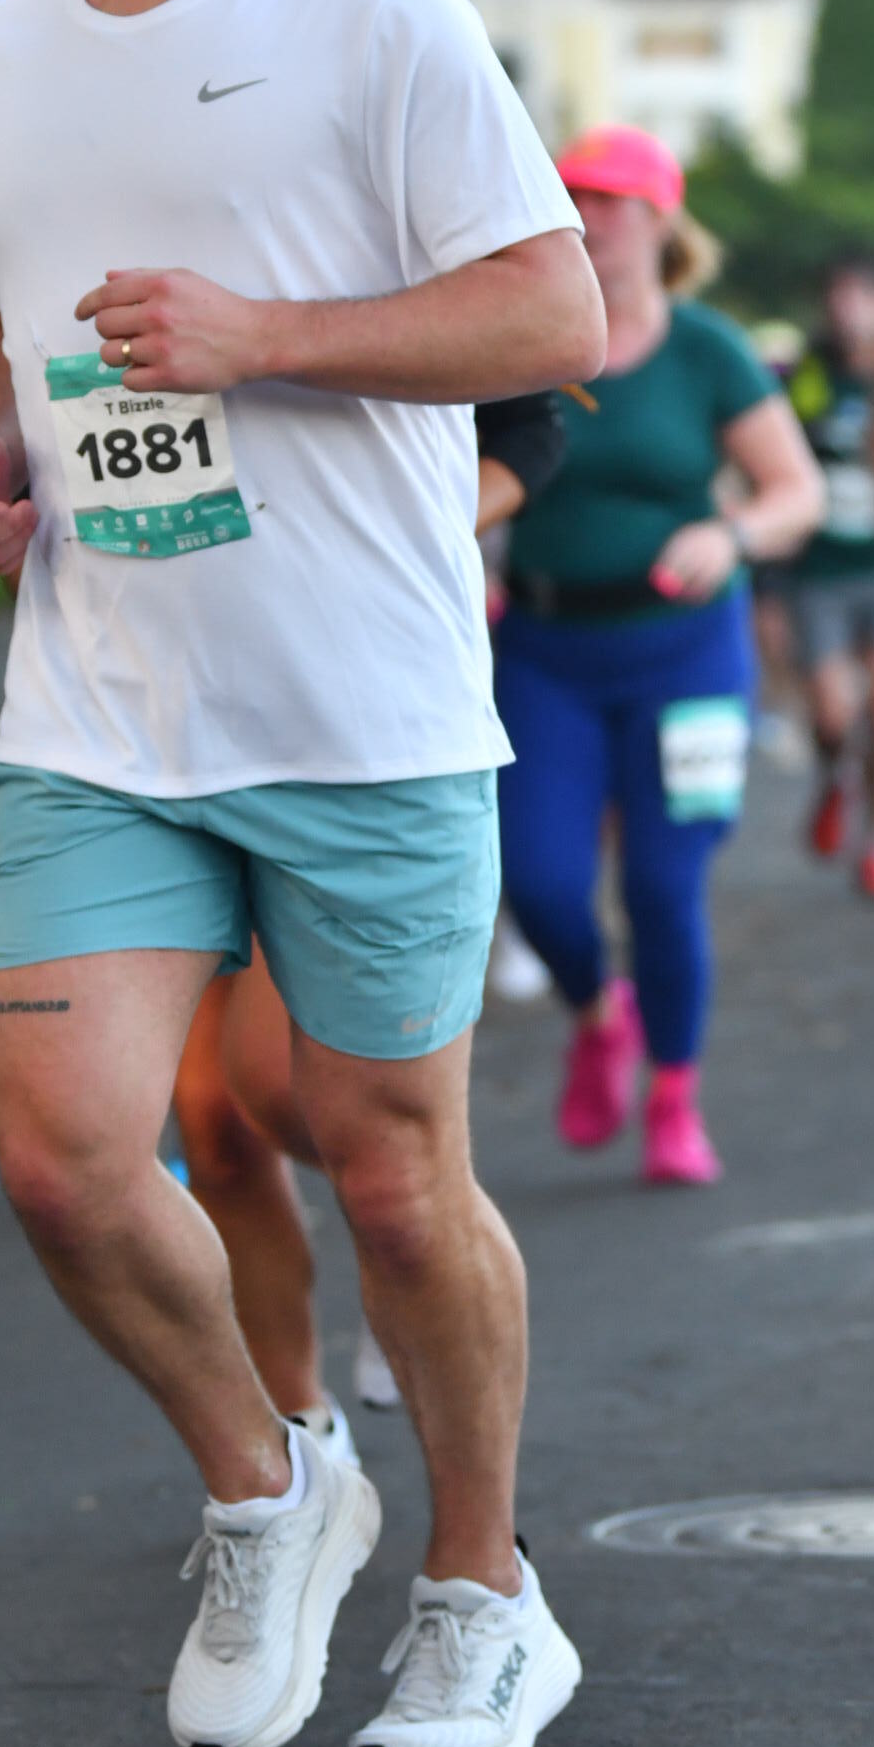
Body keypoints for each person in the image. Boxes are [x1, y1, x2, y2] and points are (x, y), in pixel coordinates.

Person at [0, 0, 605, 1747]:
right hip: (105, 705)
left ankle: (485, 1596)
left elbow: (555, 316)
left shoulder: (375, 8)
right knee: (63, 1160)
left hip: (363, 706)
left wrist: (265, 337)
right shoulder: (2, 52)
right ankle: (271, 1481)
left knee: (395, 1176)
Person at [169, 393, 571, 1433]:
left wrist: (421, 521)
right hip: (142, 709)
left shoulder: (355, 277)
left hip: (327, 719)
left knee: (273, 1089)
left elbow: (531, 422)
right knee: (211, 1127)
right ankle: (300, 1435)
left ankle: (407, 1216)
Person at [492, 125, 824, 1187]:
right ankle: (600, 1015)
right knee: (538, 880)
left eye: (611, 201)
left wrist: (730, 534)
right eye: (572, 198)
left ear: (661, 221)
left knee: (661, 884)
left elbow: (797, 493)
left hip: (686, 651)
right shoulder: (517, 341)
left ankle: (674, 1095)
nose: (588, 219)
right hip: (543, 647)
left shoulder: (705, 349)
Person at [782, 254, 874, 897]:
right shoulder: (809, 374)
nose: (848, 309)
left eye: (862, 294)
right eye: (837, 295)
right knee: (833, 714)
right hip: (821, 566)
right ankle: (836, 776)